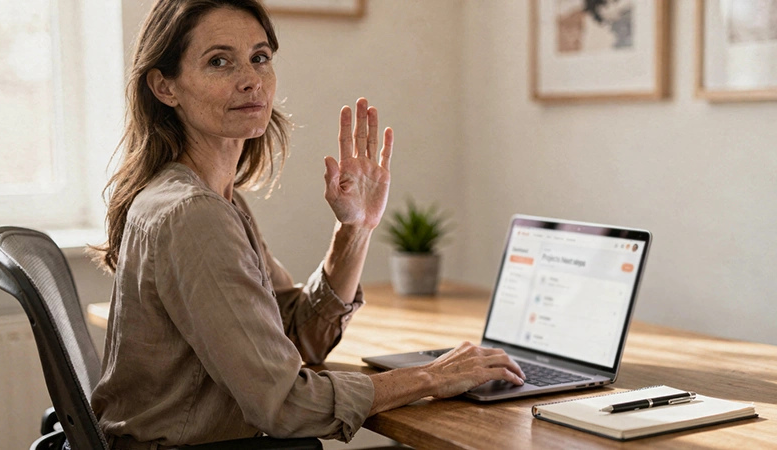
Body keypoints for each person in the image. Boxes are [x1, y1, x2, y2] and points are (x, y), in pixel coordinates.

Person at [90, 0, 526, 447]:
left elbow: (294, 335)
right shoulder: (193, 214)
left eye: (260, 58)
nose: (251, 80)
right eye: (219, 62)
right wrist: (431, 377)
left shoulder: (215, 198)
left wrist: (355, 228)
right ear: (165, 86)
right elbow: (284, 403)